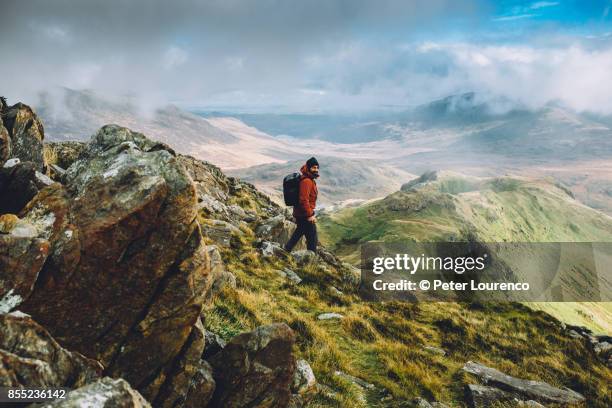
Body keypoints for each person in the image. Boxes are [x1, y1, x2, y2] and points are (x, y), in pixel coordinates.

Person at [284, 157, 319, 252]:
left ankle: (286, 250)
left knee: (299, 233)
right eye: (313, 167)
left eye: (317, 167)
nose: (316, 169)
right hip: (305, 215)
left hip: (301, 214)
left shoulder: (309, 179)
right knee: (312, 240)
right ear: (308, 168)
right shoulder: (307, 181)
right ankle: (310, 260)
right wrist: (310, 215)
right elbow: (303, 200)